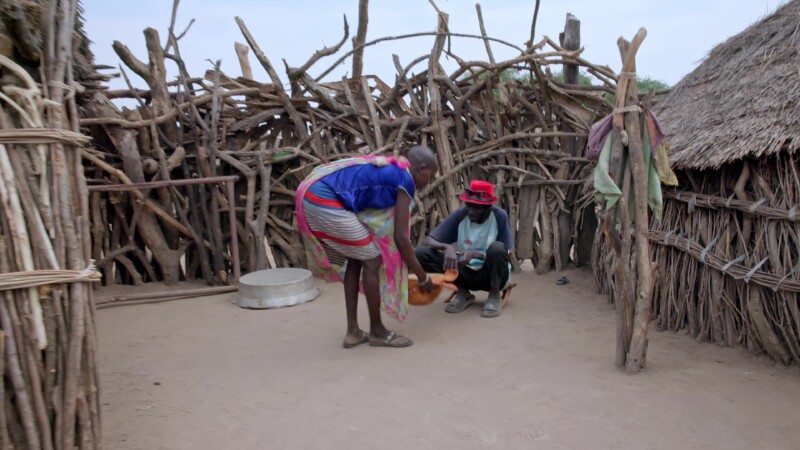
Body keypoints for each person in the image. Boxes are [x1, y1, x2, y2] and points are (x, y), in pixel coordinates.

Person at [295, 146, 439, 349]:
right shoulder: (405, 179)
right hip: (322, 199)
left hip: (314, 194)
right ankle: (378, 331)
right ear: (420, 168)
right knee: (372, 260)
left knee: (358, 258)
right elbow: (400, 238)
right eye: (430, 176)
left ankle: (353, 332)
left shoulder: (394, 170)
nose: (430, 181)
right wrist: (422, 277)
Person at [415, 180, 513, 318]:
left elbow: (506, 252)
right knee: (420, 253)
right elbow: (428, 241)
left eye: (477, 208)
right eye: (469, 205)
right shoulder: (462, 214)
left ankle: (494, 295)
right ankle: (463, 292)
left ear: (489, 207)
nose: (471, 211)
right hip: (464, 272)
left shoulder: (499, 216)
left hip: (491, 275)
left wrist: (476, 255)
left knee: (497, 248)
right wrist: (447, 247)